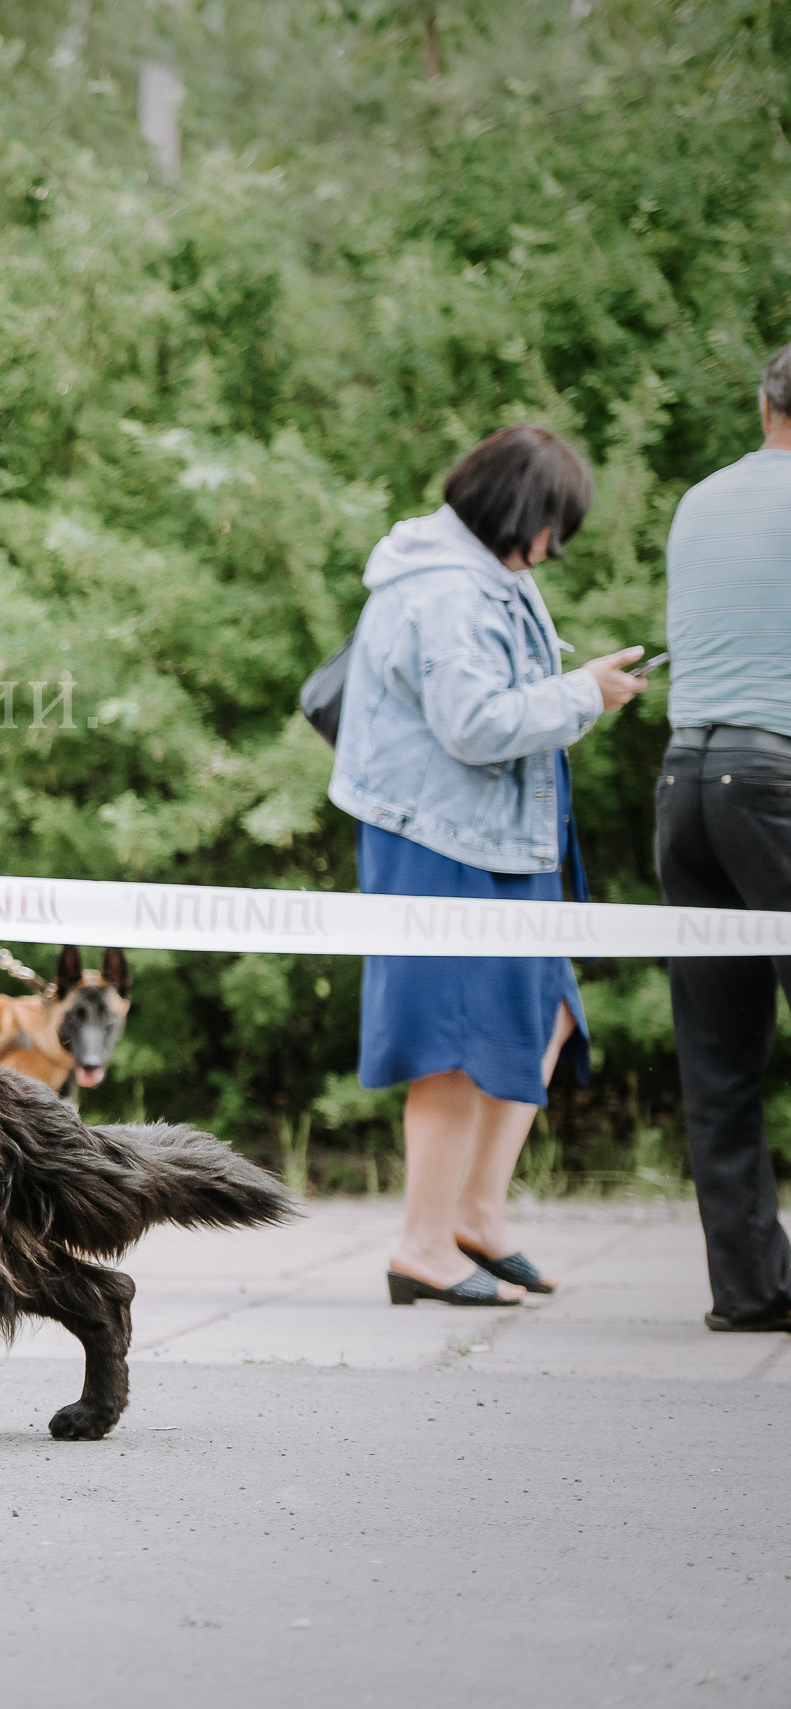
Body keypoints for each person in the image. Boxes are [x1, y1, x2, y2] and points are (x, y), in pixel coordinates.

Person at [330, 425, 647, 1306]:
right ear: (521, 512)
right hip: (443, 839)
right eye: (554, 524)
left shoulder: (483, 573)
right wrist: (586, 693)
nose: (554, 545)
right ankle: (423, 1245)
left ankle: (476, 1215)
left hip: (497, 837)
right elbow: (474, 723)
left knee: (541, 1013)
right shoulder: (446, 590)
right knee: (453, 1041)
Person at [655, 341, 791, 1335]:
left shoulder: (702, 499)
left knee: (718, 1054)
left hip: (684, 785)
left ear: (761, 406)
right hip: (776, 776)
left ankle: (747, 1287)